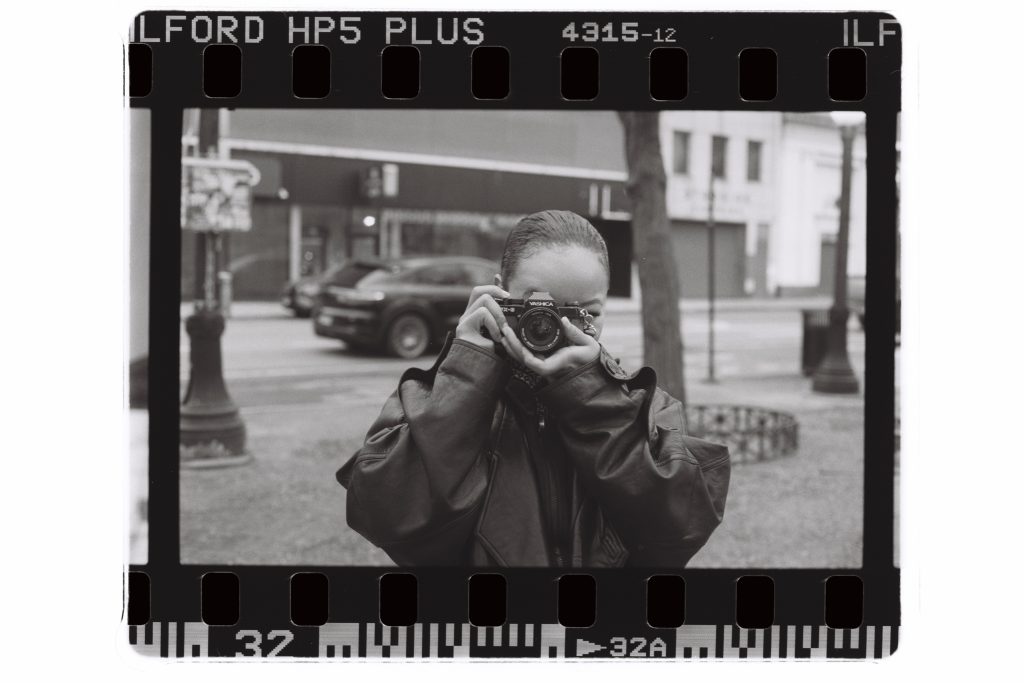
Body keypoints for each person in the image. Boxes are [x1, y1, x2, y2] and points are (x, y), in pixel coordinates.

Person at [337, 210, 730, 567]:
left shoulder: (638, 408)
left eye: (585, 314)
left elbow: (679, 530)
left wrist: (591, 394)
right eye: (538, 308)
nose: (557, 328)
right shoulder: (446, 394)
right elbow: (385, 517)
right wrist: (467, 369)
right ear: (496, 294)